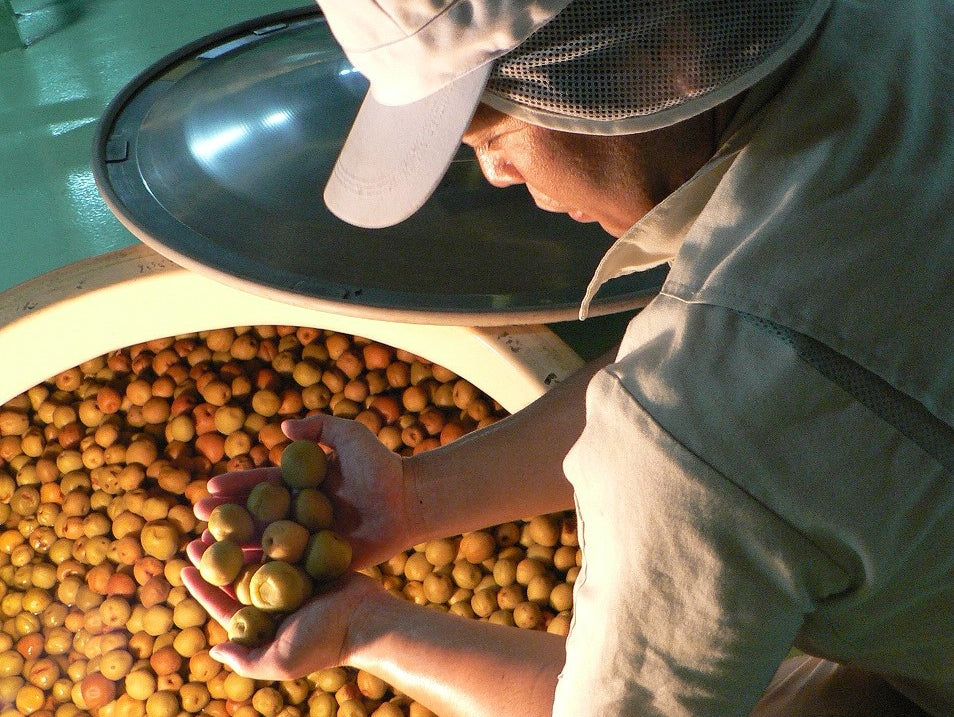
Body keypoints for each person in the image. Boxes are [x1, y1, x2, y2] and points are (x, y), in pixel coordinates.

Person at [182, 0, 954, 714]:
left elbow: (704, 430)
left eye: (495, 135)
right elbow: (729, 377)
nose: (495, 175)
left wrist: (366, 629)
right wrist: (415, 498)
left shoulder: (696, 435)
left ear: (662, 58)